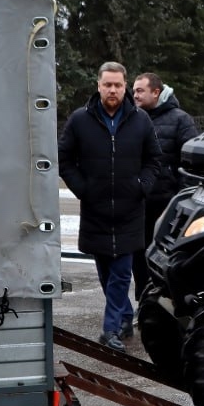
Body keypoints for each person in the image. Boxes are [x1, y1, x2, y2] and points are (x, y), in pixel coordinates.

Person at [58, 62, 162, 350]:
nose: (113, 90)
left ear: (125, 86)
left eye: (118, 85)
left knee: (121, 272)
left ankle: (110, 330)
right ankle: (126, 315)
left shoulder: (140, 120)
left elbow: (154, 159)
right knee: (105, 273)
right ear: (99, 86)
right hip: (96, 210)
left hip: (130, 211)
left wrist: (142, 186)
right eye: (108, 85)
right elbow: (63, 158)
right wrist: (82, 188)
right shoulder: (80, 120)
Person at [131, 72, 199, 295]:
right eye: (134, 91)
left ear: (156, 92)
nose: (135, 95)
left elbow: (191, 165)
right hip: (138, 203)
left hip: (166, 206)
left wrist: (178, 198)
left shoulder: (181, 120)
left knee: (165, 259)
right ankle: (144, 304)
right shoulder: (132, 118)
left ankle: (167, 306)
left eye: (140, 90)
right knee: (138, 257)